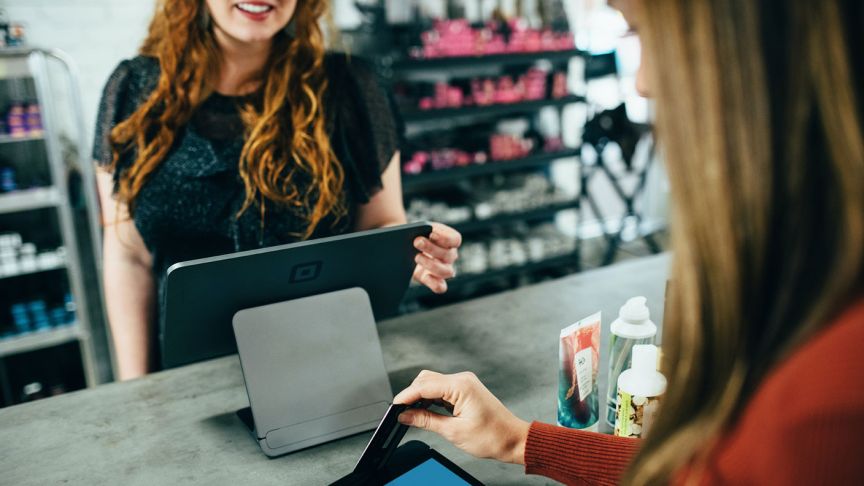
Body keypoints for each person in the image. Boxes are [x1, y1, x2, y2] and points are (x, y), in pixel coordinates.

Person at [394, 0, 864, 484]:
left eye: (643, 32)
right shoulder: (806, 303)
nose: (642, 82)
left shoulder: (826, 397)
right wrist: (518, 439)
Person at [93, 0, 462, 381]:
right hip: (187, 375)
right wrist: (136, 387)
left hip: (327, 362)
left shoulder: (350, 86)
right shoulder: (133, 91)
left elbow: (382, 222)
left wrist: (412, 249)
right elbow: (128, 256)